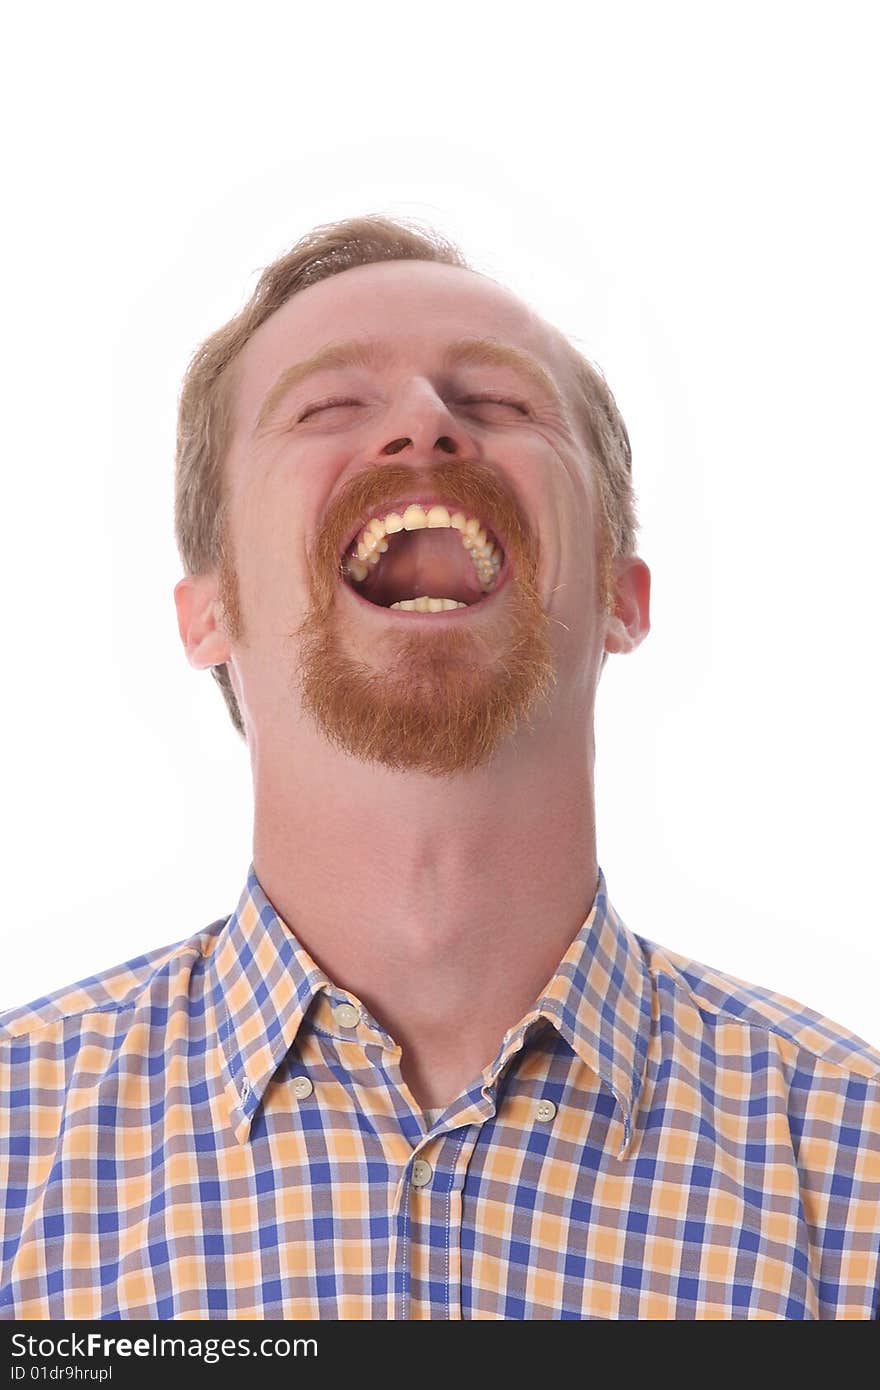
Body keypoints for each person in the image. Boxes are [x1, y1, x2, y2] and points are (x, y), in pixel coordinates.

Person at [1, 216, 877, 1323]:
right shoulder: (13, 1144)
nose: (424, 423)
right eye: (328, 408)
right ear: (208, 612)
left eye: (499, 405)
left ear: (622, 594)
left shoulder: (853, 1159)